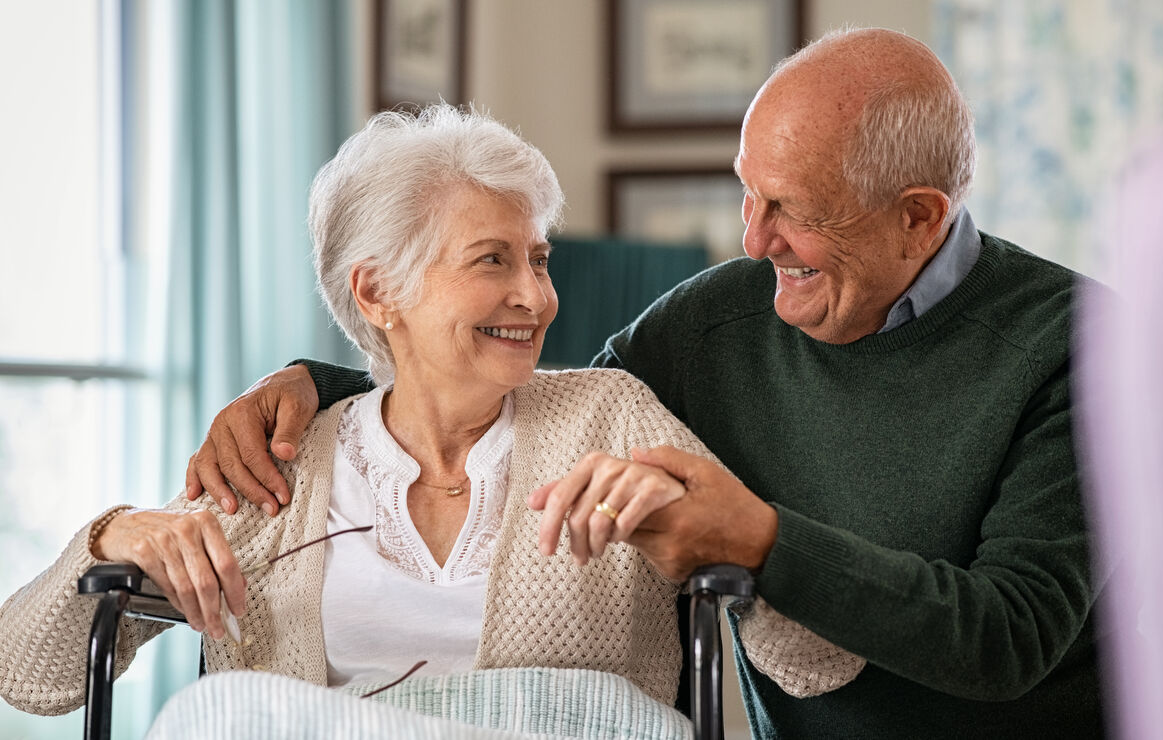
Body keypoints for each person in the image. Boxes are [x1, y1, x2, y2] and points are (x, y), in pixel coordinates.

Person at [185, 29, 1103, 739]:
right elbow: (541, 407)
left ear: (919, 219)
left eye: (793, 211)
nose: (754, 240)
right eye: (749, 192)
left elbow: (1011, 635)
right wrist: (323, 392)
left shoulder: (1083, 345)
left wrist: (763, 540)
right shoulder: (721, 320)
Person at [0, 105, 860, 719]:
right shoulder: (283, 465)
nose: (534, 295)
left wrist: (732, 542)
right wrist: (111, 536)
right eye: (492, 260)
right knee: (219, 714)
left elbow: (816, 661)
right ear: (379, 292)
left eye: (538, 257)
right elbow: (25, 673)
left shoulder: (609, 415)